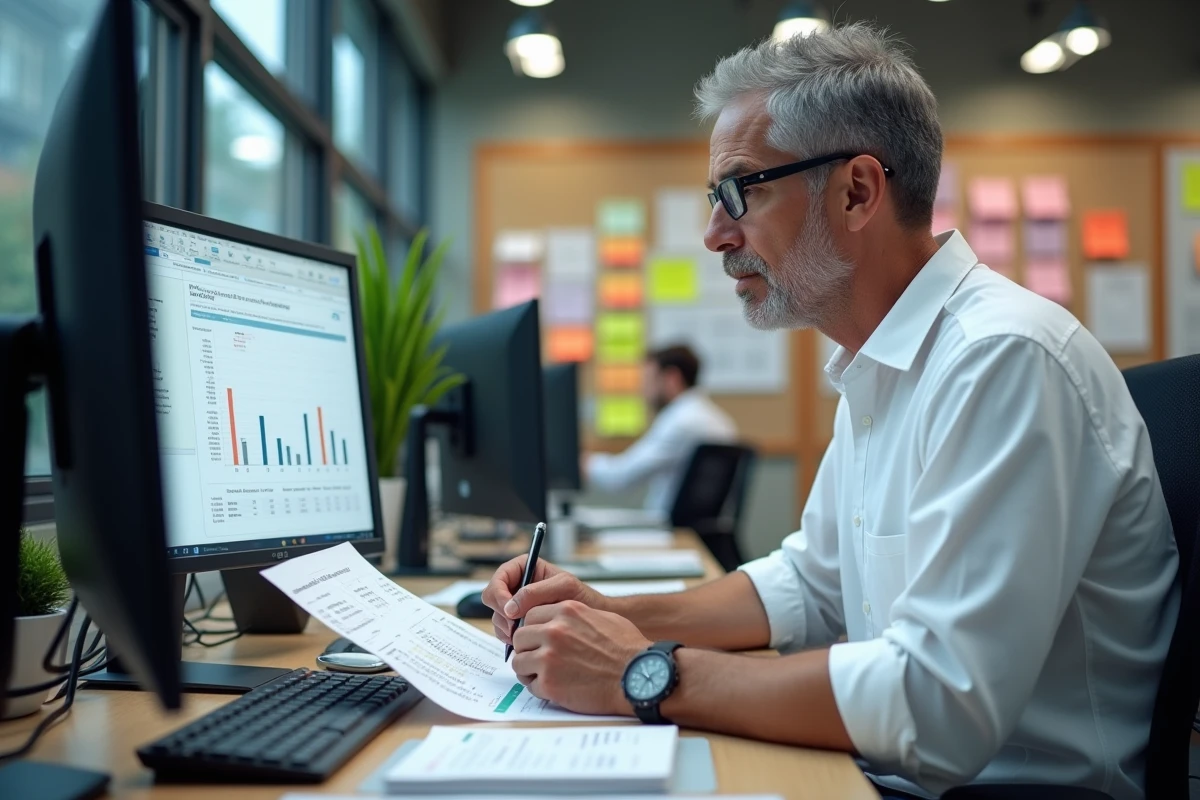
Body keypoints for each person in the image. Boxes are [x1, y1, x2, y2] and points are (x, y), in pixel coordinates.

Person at [482, 22, 1180, 800]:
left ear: (856, 192)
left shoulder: (1003, 359)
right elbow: (808, 585)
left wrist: (641, 673)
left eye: (739, 191)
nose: (715, 234)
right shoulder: (880, 362)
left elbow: (937, 702)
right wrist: (612, 614)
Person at [583, 344, 736, 515]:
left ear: (672, 378)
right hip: (702, 531)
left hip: (671, 531)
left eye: (648, 380)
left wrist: (584, 462)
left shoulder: (680, 421)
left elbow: (619, 477)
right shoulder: (720, 420)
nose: (643, 391)